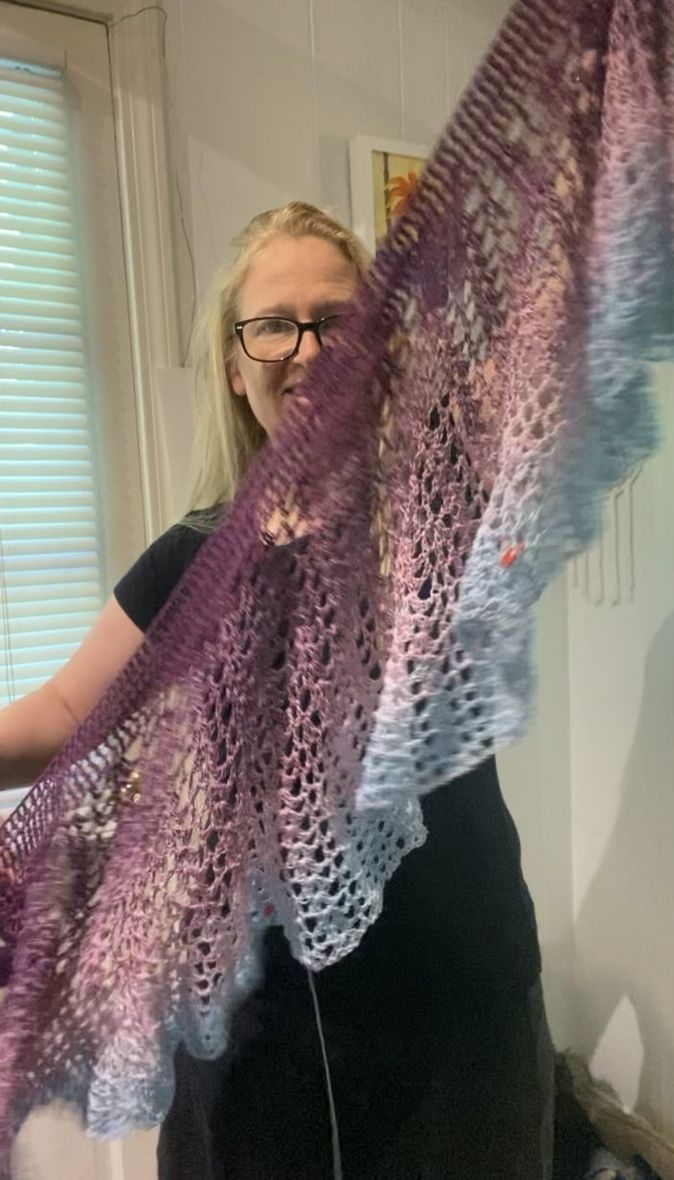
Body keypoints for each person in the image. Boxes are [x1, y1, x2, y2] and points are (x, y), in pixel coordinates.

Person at [0, 202, 555, 1179]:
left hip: (462, 1010)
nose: (306, 350)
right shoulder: (191, 566)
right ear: (231, 358)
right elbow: (57, 715)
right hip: (263, 1029)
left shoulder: (449, 521)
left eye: (339, 321)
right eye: (273, 323)